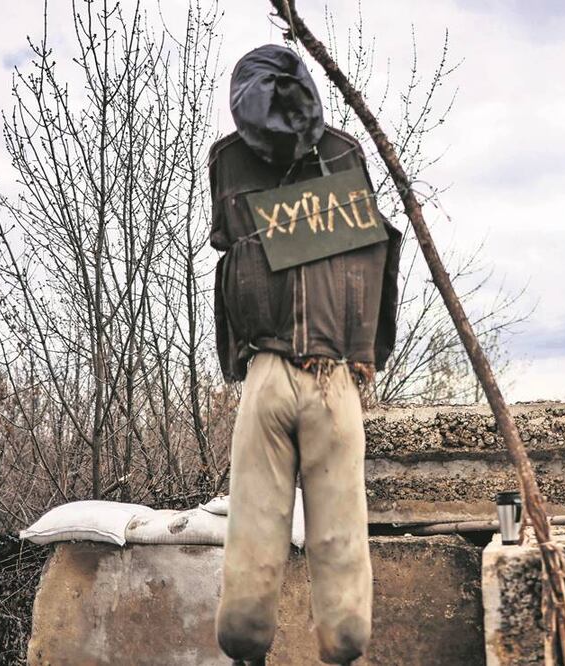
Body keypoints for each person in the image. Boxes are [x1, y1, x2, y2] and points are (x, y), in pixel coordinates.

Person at [210, 45, 401, 666]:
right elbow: (375, 256)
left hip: (276, 370)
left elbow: (225, 250)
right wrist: (367, 354)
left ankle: (255, 651)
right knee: (332, 537)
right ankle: (333, 650)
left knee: (260, 534)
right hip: (326, 375)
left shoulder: (229, 160)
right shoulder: (343, 152)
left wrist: (236, 355)